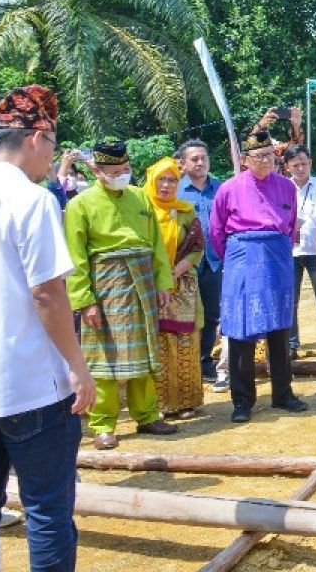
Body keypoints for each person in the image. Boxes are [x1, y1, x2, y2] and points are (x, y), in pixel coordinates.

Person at [0, 84, 96, 570]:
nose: (52, 159)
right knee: (47, 510)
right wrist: (78, 367)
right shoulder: (32, 201)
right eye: (52, 145)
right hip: (30, 387)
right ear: (35, 137)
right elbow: (48, 293)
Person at [64, 140, 178, 449]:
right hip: (106, 286)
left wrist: (163, 284)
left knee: (145, 350)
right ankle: (103, 424)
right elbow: (75, 259)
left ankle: (147, 415)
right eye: (115, 171)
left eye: (126, 170)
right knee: (104, 357)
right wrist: (85, 301)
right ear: (97, 171)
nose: (122, 175)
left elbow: (155, 245)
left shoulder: (140, 196)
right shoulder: (80, 205)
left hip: (143, 280)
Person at [210, 130, 308, 422]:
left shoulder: (286, 187)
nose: (266, 161)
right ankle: (242, 400)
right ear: (244, 160)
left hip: (277, 257)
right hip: (242, 256)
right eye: (259, 156)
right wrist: (238, 257)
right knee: (242, 330)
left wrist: (277, 249)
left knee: (279, 329)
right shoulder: (228, 188)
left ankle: (283, 393)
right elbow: (216, 232)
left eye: (270, 155)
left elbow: (291, 227)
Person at [144, 157, 205, 420]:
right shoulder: (141, 210)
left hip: (182, 286)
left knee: (185, 343)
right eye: (161, 180)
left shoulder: (186, 210)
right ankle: (157, 404)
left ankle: (185, 402)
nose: (166, 186)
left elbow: (197, 248)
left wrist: (174, 271)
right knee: (157, 344)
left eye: (172, 180)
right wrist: (159, 276)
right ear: (151, 181)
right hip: (150, 286)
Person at [177, 138, 226, 390]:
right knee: (185, 315)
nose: (200, 163)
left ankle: (205, 360)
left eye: (203, 158)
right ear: (183, 164)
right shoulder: (174, 189)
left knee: (211, 315)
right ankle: (186, 362)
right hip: (184, 265)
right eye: (194, 159)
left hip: (215, 261)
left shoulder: (220, 188)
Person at [283, 145, 316, 359]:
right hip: (290, 252)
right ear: (287, 167)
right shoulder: (282, 187)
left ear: (311, 163)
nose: (300, 168)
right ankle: (291, 344)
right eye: (295, 164)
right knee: (291, 301)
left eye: (304, 163)